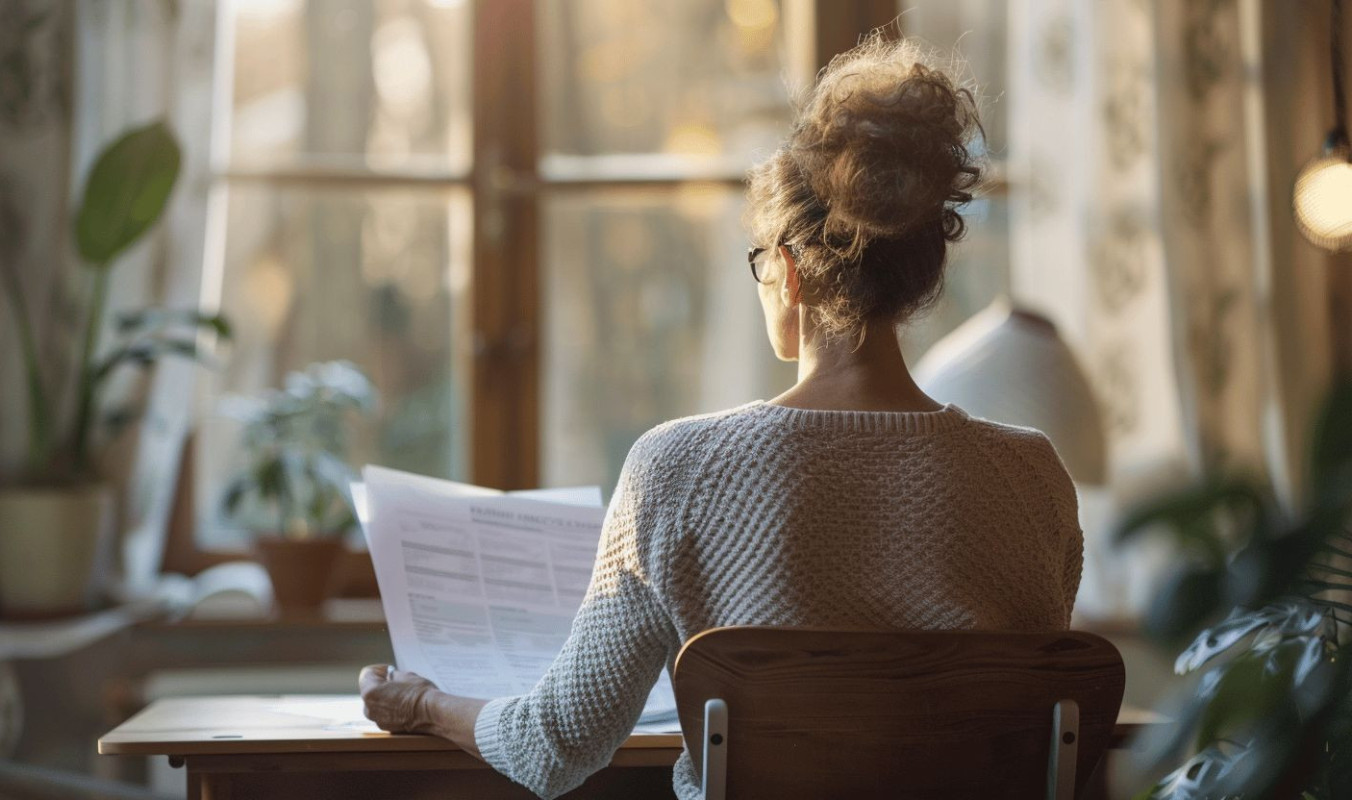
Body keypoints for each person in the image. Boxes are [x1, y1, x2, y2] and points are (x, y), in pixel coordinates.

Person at [359, 32, 1083, 800]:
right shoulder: (1033, 477)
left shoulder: (679, 471)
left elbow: (554, 745)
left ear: (789, 272)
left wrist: (423, 703)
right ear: (921, 272)